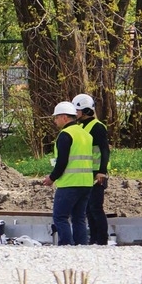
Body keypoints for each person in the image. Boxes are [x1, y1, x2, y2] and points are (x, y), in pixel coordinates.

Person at [42, 101, 94, 246]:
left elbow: (62, 161)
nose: (55, 120)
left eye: (56, 117)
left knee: (60, 217)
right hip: (86, 183)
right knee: (79, 218)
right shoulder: (85, 134)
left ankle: (66, 246)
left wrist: (51, 178)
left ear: (64, 117)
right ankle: (81, 246)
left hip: (70, 183)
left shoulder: (65, 135)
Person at [73, 92, 109, 245]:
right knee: (88, 209)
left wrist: (102, 171)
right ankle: (94, 239)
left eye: (77, 110)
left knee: (95, 207)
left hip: (97, 173)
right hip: (87, 173)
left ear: (86, 110)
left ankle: (102, 240)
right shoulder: (81, 126)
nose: (75, 113)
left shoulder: (97, 127)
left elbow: (105, 150)